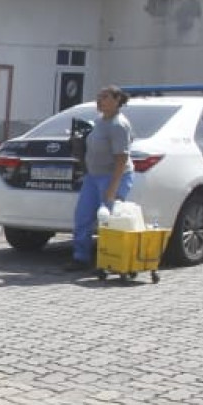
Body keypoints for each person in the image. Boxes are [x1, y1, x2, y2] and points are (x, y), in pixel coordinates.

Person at [68, 85, 135, 272]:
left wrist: (113, 189)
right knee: (82, 216)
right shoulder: (99, 120)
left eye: (104, 97)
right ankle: (81, 258)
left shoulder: (118, 125)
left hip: (112, 177)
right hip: (93, 177)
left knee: (109, 220)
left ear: (117, 101)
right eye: (99, 97)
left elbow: (121, 159)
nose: (100, 101)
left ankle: (109, 261)